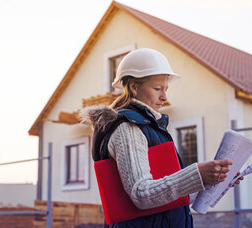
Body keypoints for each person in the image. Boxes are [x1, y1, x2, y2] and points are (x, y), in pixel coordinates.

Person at [80, 48, 242, 228]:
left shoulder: (150, 127)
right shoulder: (128, 127)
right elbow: (142, 194)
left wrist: (213, 179)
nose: (164, 97)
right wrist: (197, 173)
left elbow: (167, 196)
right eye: (157, 89)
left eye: (166, 89)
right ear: (133, 86)